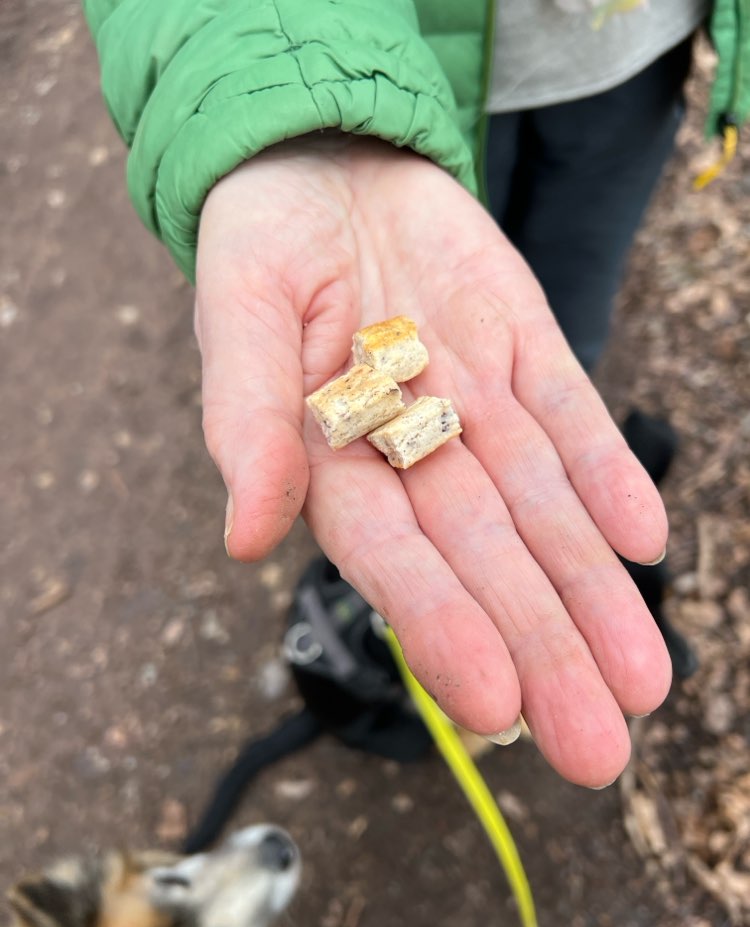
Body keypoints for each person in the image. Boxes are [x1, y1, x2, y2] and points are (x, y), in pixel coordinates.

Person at [81, 0, 748, 790]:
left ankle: (550, 533)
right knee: (494, 336)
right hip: (390, 66)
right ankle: (379, 604)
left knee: (550, 340)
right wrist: (282, 82)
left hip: (641, 60)